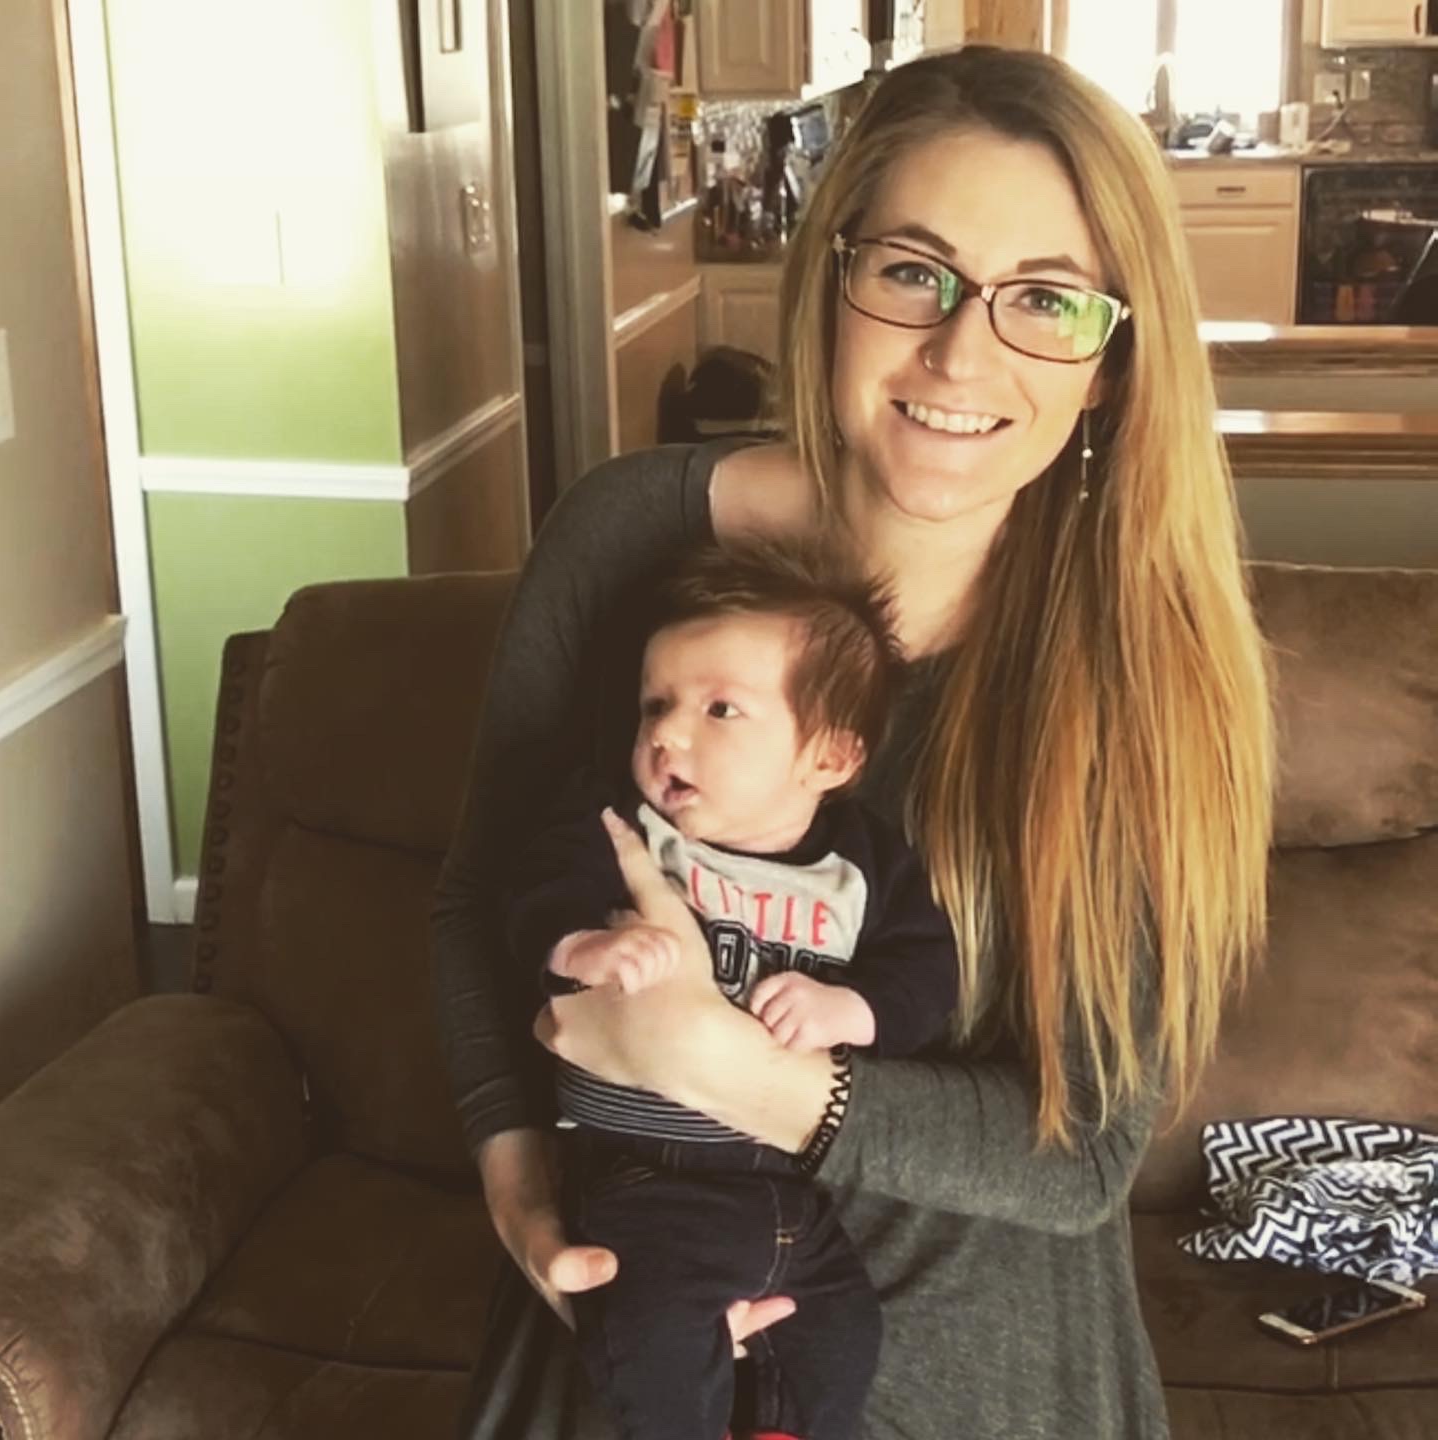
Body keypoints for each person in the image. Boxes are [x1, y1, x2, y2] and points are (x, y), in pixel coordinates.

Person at [431, 44, 1274, 1440]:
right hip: (641, 1333)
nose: (960, 352)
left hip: (991, 1386)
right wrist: (523, 1204)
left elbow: (1081, 1155)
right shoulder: (628, 536)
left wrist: (736, 1074)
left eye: (1045, 299)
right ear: (831, 279)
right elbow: (479, 901)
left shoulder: (1144, 662)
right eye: (913, 271)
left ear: (1111, 366)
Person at [505, 540, 959, 1440]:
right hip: (646, 1181)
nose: (667, 735)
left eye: (720, 709)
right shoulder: (623, 825)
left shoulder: (863, 865)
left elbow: (926, 973)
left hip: (791, 1188)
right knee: (657, 1351)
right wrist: (585, 945)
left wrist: (851, 1008)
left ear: (829, 756)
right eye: (655, 705)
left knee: (843, 1337)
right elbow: (532, 893)